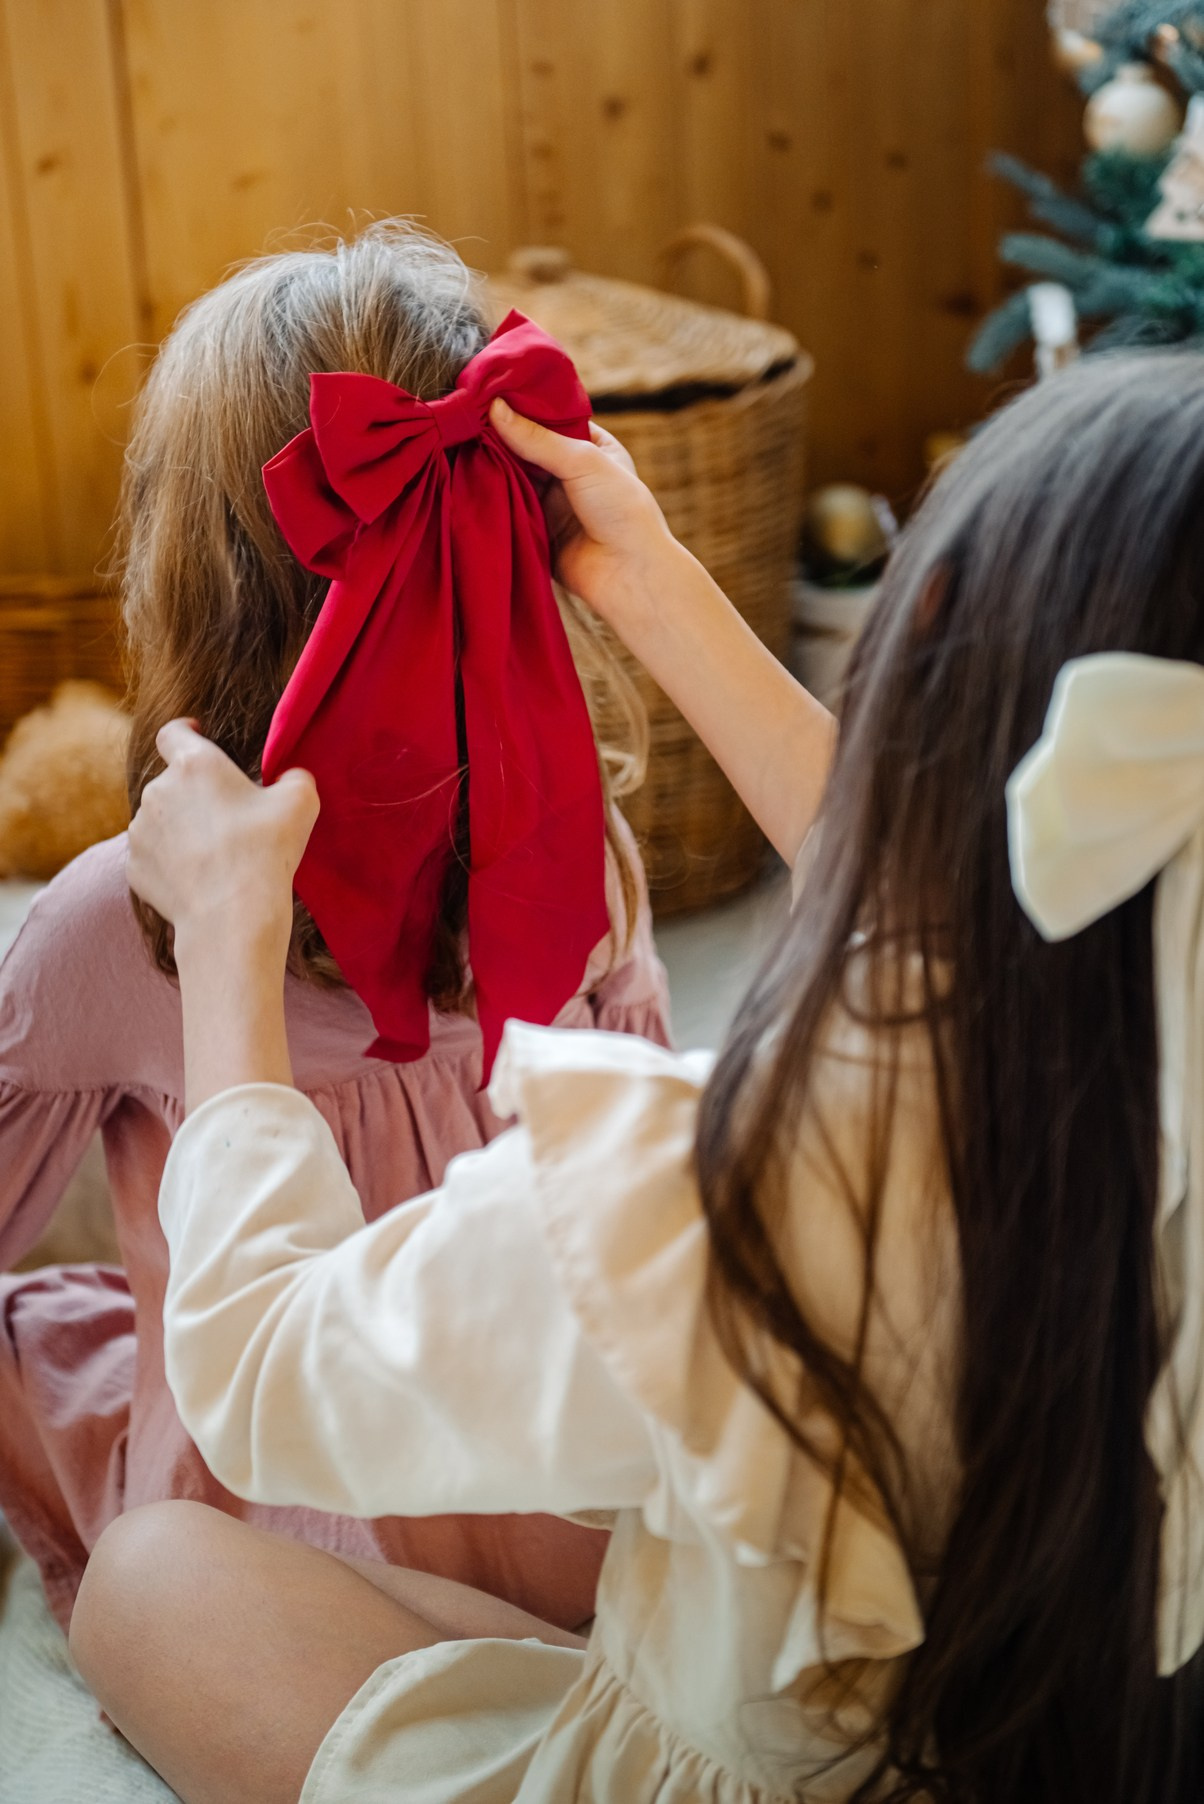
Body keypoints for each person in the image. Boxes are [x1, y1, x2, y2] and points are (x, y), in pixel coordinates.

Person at [74, 353, 1204, 1804]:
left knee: (150, 1574)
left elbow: (254, 1367)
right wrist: (654, 580)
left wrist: (232, 949)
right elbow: (976, 891)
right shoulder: (1130, 1003)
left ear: (917, 638)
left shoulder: (729, 1195)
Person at [0, 224, 672, 1643]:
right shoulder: (587, 849)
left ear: (184, 580)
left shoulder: (120, 921)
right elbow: (644, 1181)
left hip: (282, 1539)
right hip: (579, 1508)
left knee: (44, 1345)